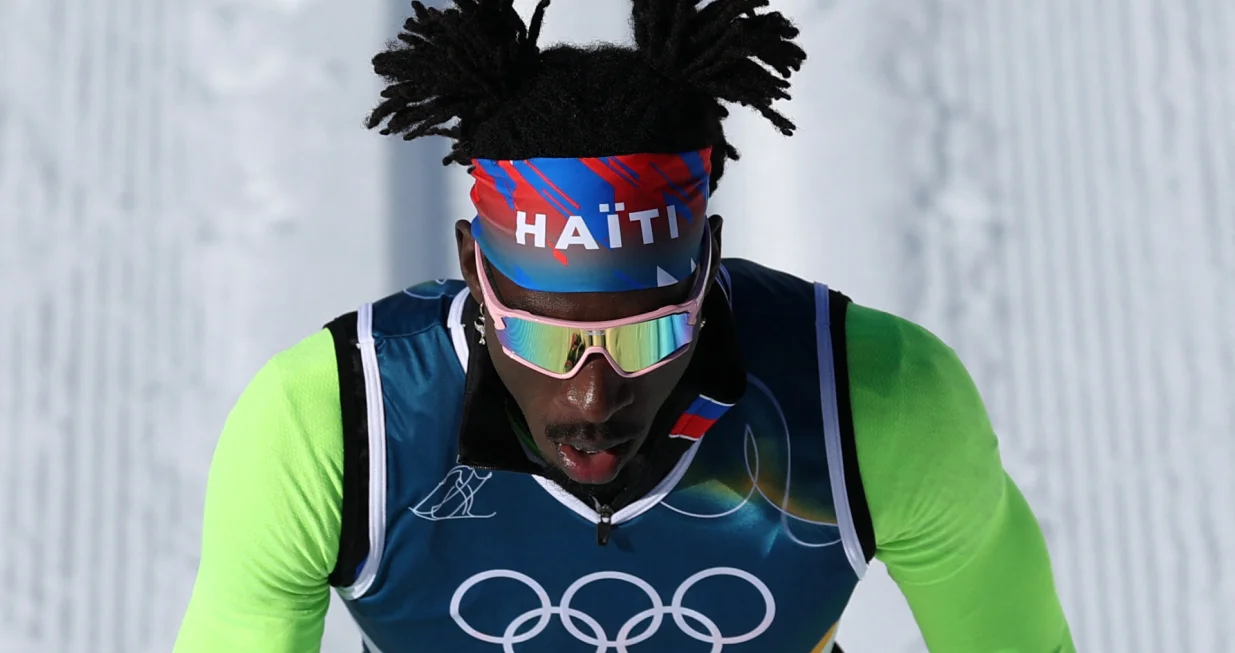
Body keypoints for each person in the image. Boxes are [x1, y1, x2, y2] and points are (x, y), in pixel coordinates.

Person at [174, 0, 1076, 651]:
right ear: (472, 273)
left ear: (708, 269)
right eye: (542, 338)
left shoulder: (877, 402)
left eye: (647, 336)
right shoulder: (330, 425)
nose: (592, 397)